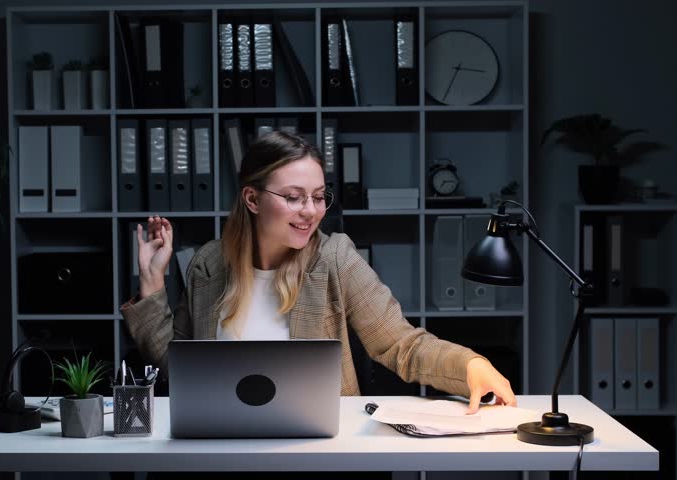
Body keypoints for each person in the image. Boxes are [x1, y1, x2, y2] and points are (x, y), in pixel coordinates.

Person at [121, 131, 516, 414]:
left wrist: (469, 366)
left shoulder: (335, 258)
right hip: (226, 449)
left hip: (319, 453)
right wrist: (153, 281)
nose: (310, 211)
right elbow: (179, 370)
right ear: (252, 199)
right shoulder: (209, 263)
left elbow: (401, 344)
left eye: (318, 196)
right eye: (293, 198)